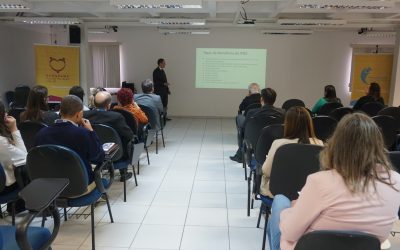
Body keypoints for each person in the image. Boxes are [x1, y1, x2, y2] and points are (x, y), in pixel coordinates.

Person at [267, 113, 400, 250]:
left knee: (280, 202)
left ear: (337, 144)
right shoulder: (396, 181)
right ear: (379, 145)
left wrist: (290, 211)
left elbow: (289, 233)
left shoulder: (319, 182)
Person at [35, 95, 104, 187]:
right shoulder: (84, 134)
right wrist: (91, 132)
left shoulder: (41, 134)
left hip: (51, 186)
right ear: (78, 114)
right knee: (102, 179)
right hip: (80, 185)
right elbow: (98, 157)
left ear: (60, 112)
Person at [260, 106, 323, 198]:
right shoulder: (319, 143)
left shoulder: (278, 144)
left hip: (279, 193)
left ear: (287, 124)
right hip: (309, 194)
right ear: (309, 123)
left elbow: (266, 171)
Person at [84, 91, 134, 181]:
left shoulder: (85, 115)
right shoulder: (116, 117)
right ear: (108, 105)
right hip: (116, 155)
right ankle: (123, 172)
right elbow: (129, 135)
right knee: (124, 138)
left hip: (93, 154)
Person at [230, 88, 285, 163]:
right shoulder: (282, 112)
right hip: (275, 141)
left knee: (240, 119)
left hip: (254, 142)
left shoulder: (252, 112)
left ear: (261, 99)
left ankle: (240, 153)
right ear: (274, 99)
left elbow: (244, 127)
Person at [0, 100, 27, 195]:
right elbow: (24, 158)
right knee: (27, 169)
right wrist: (14, 129)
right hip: (4, 189)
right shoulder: (1, 141)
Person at [153, 58, 171, 122]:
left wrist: (168, 90)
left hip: (164, 91)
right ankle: (160, 118)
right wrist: (164, 83)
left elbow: (165, 81)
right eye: (164, 63)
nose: (165, 64)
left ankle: (164, 117)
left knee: (165, 105)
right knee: (160, 105)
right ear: (160, 63)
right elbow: (156, 82)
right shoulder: (156, 71)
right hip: (159, 92)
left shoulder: (162, 70)